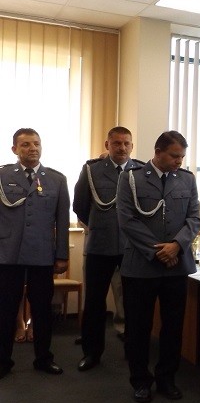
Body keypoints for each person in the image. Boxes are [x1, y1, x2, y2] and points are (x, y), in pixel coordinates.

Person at [116, 131, 200, 403]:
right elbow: (127, 220)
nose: (179, 161)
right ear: (158, 152)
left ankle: (167, 378)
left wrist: (176, 245)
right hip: (141, 266)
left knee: (173, 327)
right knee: (138, 327)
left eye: (182, 157)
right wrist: (159, 252)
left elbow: (194, 218)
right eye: (174, 156)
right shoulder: (131, 178)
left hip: (176, 266)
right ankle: (140, 381)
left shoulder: (187, 179)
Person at [0, 128, 69, 379]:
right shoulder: (2, 176)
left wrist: (61, 255)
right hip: (8, 254)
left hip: (42, 254)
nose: (33, 149)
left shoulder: (56, 179)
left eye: (36, 144)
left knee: (42, 309)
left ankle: (43, 358)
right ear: (14, 149)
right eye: (26, 144)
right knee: (5, 309)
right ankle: (3, 361)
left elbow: (62, 221)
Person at [73, 127, 143, 371]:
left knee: (134, 303)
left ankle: (134, 350)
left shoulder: (141, 170)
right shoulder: (91, 170)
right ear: (107, 145)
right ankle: (92, 353)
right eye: (116, 143)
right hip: (100, 246)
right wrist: (99, 226)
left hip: (132, 247)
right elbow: (80, 205)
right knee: (94, 302)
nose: (122, 148)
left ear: (132, 146)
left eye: (126, 143)